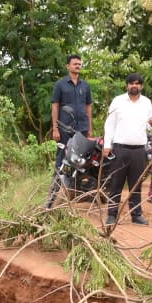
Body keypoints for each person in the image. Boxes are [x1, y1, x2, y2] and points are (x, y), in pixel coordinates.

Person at [102, 73, 152, 225]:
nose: (134, 86)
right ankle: (112, 215)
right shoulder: (118, 101)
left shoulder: (146, 103)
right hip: (120, 149)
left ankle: (136, 215)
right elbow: (109, 124)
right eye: (131, 83)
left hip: (139, 150)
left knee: (136, 184)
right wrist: (107, 145)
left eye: (137, 83)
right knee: (116, 183)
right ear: (127, 86)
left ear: (142, 86)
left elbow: (151, 125)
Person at [45, 54, 93, 209]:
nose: (78, 66)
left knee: (82, 162)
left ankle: (74, 194)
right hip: (65, 129)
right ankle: (52, 197)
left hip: (83, 129)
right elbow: (55, 106)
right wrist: (55, 128)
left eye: (80, 64)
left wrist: (90, 128)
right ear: (68, 66)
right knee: (61, 161)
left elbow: (88, 107)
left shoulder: (85, 86)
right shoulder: (60, 85)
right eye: (75, 63)